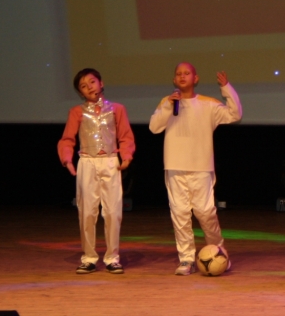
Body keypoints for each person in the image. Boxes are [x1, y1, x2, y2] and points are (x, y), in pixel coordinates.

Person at [149, 62, 242, 275]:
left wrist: (226, 88)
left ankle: (219, 252)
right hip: (175, 166)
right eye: (178, 74)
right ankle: (186, 259)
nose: (182, 76)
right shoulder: (167, 102)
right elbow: (154, 127)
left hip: (201, 167)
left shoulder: (208, 104)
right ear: (174, 80)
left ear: (196, 78)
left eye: (187, 73)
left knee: (206, 212)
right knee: (180, 213)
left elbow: (235, 114)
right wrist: (168, 105)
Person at [58, 68, 136, 275]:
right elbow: (67, 139)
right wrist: (67, 159)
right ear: (80, 93)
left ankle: (112, 258)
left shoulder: (117, 109)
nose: (89, 87)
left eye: (92, 82)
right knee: (87, 212)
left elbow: (125, 136)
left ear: (101, 83)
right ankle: (89, 258)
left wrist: (126, 156)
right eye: (83, 86)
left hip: (110, 161)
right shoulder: (77, 112)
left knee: (113, 212)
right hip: (87, 161)